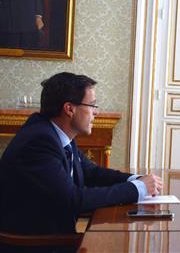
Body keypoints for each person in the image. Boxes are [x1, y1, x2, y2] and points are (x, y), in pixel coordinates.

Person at [0, 72, 163, 235]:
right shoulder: (40, 141)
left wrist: (136, 180)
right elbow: (73, 200)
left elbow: (91, 172)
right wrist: (137, 189)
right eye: (92, 105)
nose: (96, 112)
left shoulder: (56, 133)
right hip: (33, 243)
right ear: (69, 109)